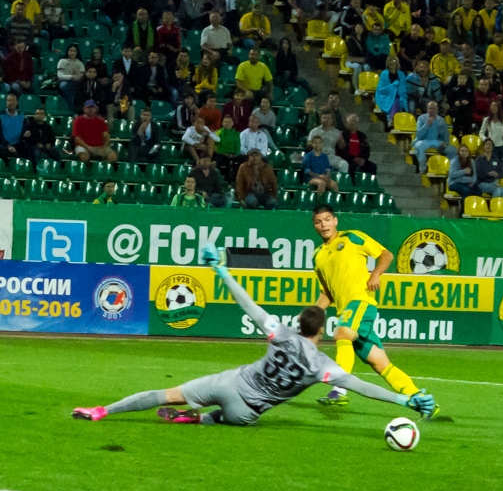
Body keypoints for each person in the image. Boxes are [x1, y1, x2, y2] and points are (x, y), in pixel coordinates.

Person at [73, 245, 436, 426]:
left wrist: (221, 270)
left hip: (230, 384)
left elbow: (246, 303)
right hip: (246, 413)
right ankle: (199, 419)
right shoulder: (322, 366)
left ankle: (102, 411)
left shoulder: (280, 334)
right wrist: (405, 401)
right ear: (322, 330)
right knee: (224, 416)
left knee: (165, 393)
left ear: (299, 323)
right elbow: (363, 387)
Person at [311, 205, 439, 416]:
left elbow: (386, 255)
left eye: (327, 219)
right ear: (314, 225)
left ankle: (339, 390)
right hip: (347, 311)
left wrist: (375, 274)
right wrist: (312, 313)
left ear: (335, 221)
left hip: (361, 302)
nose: (323, 225)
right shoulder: (317, 256)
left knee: (342, 334)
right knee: (381, 364)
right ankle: (425, 403)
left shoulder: (352, 238)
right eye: (318, 221)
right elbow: (327, 293)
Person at [411, 101, 452, 173]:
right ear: (427, 109)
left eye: (434, 108)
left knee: (449, 149)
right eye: (430, 108)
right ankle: (423, 169)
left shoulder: (441, 120)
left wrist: (446, 144)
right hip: (422, 141)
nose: (432, 110)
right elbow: (418, 134)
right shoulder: (421, 118)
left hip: (436, 141)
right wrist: (427, 124)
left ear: (437, 110)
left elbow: (445, 134)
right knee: (420, 146)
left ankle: (443, 169)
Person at [336, 113, 377, 178]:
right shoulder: (343, 135)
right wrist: (353, 159)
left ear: (357, 124)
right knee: (351, 167)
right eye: (350, 122)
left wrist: (363, 159)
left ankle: (369, 183)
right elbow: (340, 151)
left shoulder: (362, 136)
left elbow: (366, 149)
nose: (352, 124)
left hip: (360, 159)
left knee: (372, 166)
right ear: (347, 124)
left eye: (354, 122)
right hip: (348, 159)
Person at [213, 113, 241, 181]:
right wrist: (225, 154)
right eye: (225, 122)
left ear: (232, 123)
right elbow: (215, 147)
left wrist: (234, 154)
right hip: (221, 154)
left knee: (234, 164)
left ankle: (231, 183)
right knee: (216, 162)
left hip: (232, 155)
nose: (227, 124)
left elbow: (237, 147)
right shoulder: (218, 133)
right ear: (222, 123)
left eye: (229, 122)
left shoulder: (236, 134)